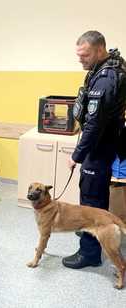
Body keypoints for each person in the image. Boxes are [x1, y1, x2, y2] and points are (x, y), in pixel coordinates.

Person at [64, 31, 126, 269]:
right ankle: (96, 237)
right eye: (78, 55)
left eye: (85, 55)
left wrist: (76, 155)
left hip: (99, 148)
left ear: (100, 49)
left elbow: (94, 125)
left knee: (90, 202)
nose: (81, 60)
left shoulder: (106, 78)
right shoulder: (110, 66)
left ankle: (89, 254)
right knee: (97, 198)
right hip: (105, 144)